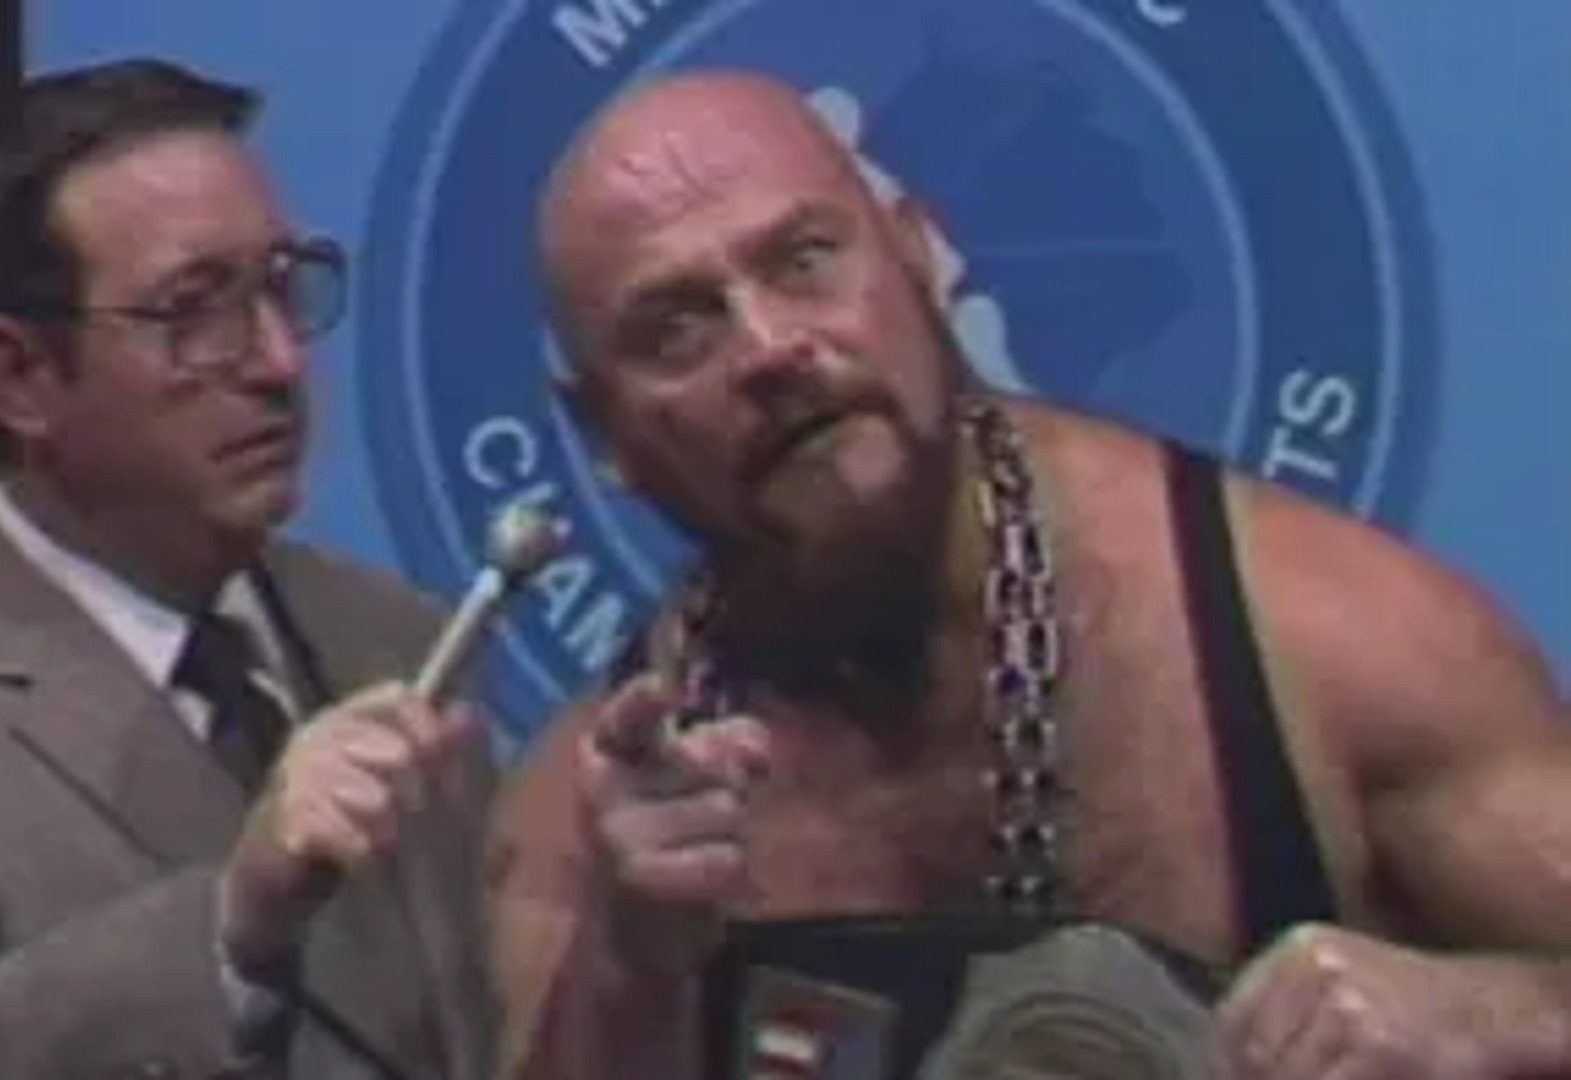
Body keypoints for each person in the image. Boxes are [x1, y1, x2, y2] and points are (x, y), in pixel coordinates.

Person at [490, 69, 1571, 1080]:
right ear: (603, 434)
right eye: (677, 327)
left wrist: (1481, 1016)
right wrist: (632, 965)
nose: (769, 348)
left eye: (804, 259)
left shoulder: (1329, 647)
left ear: (918, 256)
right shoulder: (572, 835)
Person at [0, 58, 495, 1080]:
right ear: (20, 376)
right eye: (192, 312)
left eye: (277, 285)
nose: (278, 361)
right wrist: (230, 925)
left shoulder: (389, 635)